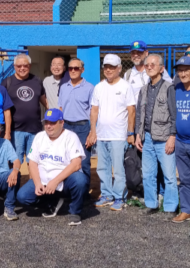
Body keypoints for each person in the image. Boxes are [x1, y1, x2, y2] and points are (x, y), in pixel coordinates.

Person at [17, 109, 87, 226]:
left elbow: (76, 163)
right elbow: (33, 162)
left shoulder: (71, 137)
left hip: (64, 181)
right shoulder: (39, 136)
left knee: (80, 180)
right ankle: (51, 203)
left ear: (62, 123)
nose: (48, 126)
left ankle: (75, 211)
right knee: (22, 196)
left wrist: (55, 181)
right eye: (47, 122)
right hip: (44, 180)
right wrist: (37, 183)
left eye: (53, 123)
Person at [124, 40, 172, 203]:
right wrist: (133, 131)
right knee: (143, 163)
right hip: (139, 125)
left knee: (161, 164)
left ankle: (163, 194)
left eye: (139, 52)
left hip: (159, 126)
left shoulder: (157, 70)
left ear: (146, 53)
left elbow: (169, 96)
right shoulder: (128, 74)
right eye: (133, 52)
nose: (136, 55)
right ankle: (143, 192)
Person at [89, 54, 136, 211]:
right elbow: (94, 110)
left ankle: (119, 197)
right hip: (102, 135)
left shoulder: (125, 86)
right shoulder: (99, 87)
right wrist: (93, 131)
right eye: (106, 67)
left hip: (118, 136)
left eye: (112, 67)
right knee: (102, 168)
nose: (108, 70)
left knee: (118, 169)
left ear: (119, 68)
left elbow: (131, 111)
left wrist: (130, 133)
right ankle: (107, 195)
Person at [135, 54, 179, 219]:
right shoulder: (143, 89)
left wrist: (172, 136)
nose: (149, 67)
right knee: (148, 174)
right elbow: (140, 113)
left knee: (168, 176)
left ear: (161, 68)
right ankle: (151, 204)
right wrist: (138, 135)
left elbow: (174, 115)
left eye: (153, 64)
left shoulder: (169, 88)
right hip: (147, 139)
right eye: (147, 65)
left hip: (164, 139)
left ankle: (170, 207)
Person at [1, 54, 47, 168]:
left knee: (34, 163)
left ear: (30, 66)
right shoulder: (7, 82)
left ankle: (33, 185)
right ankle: (14, 186)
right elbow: (1, 107)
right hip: (16, 130)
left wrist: (53, 119)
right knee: (15, 162)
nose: (22, 68)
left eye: (25, 65)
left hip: (35, 130)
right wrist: (6, 132)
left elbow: (45, 102)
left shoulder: (37, 81)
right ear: (14, 66)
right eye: (19, 66)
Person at [58, 57, 94, 183]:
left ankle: (84, 195)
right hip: (66, 126)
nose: (73, 71)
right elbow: (61, 108)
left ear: (82, 70)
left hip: (82, 128)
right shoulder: (63, 87)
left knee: (83, 162)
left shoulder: (89, 88)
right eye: (70, 68)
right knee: (66, 160)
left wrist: (92, 132)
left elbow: (93, 111)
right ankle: (68, 191)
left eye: (76, 68)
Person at [172, 56, 190, 223]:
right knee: (184, 179)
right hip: (180, 141)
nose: (183, 73)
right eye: (180, 70)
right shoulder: (176, 89)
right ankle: (186, 210)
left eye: (187, 69)